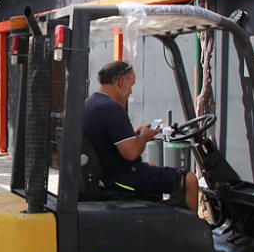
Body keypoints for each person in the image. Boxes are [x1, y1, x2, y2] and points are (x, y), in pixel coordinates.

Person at [83, 60, 199, 212]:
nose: (131, 91)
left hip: (106, 176)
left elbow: (111, 142)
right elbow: (131, 153)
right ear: (121, 82)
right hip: (120, 179)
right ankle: (191, 232)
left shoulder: (89, 104)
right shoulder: (112, 109)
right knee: (189, 179)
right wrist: (144, 137)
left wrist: (136, 136)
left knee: (151, 168)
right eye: (131, 85)